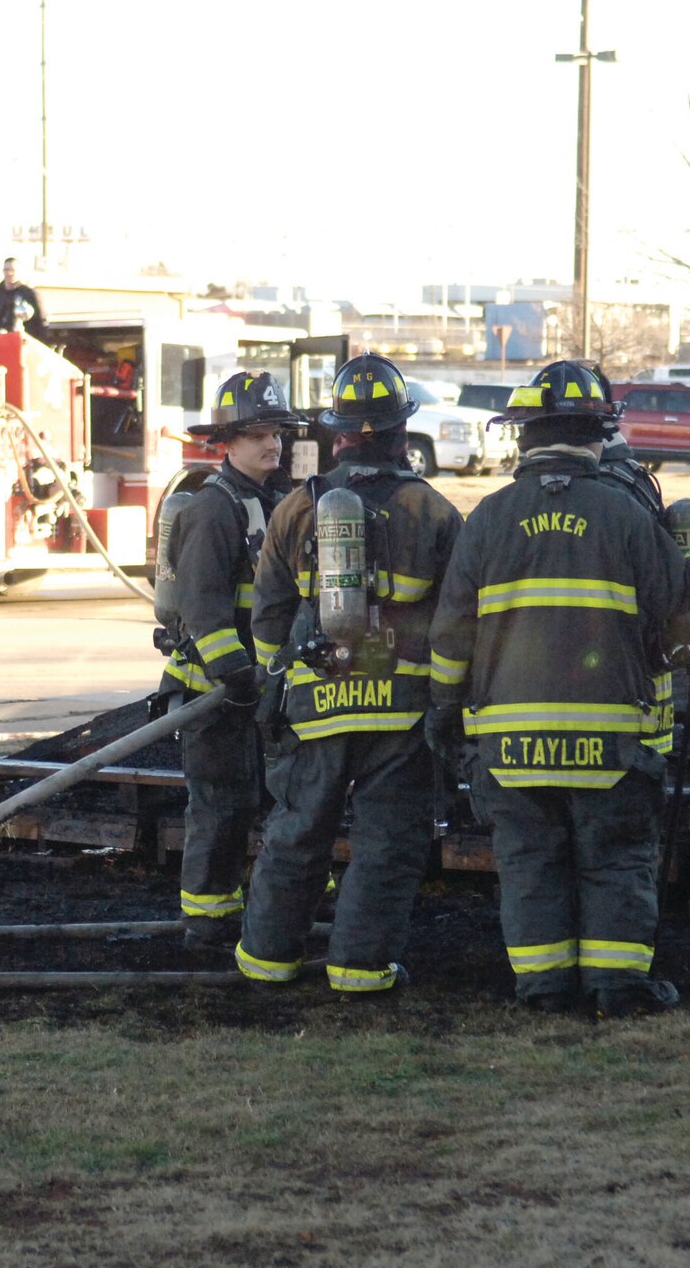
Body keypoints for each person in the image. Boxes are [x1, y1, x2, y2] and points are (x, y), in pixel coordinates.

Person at [425, 361, 690, 1017]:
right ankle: (615, 988)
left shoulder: (487, 519)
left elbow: (451, 635)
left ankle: (544, 991)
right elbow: (678, 597)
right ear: (601, 435)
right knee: (615, 859)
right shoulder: (624, 515)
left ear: (523, 436)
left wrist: (443, 714)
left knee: (529, 862)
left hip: (507, 745)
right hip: (607, 740)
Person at [236, 354, 464, 995]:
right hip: (401, 709)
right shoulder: (435, 511)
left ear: (338, 435)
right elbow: (456, 617)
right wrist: (449, 701)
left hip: (315, 705)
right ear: (401, 433)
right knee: (387, 843)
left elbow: (270, 614)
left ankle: (266, 962)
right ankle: (360, 970)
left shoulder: (296, 510)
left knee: (297, 834)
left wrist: (273, 692)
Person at [156, 371, 298, 950]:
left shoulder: (278, 502)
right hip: (214, 695)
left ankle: (269, 914)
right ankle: (208, 921)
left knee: (272, 800)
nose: (272, 444)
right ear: (227, 442)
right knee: (220, 806)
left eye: (278, 433)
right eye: (258, 434)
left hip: (260, 688)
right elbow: (204, 609)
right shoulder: (214, 511)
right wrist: (235, 673)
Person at [0, 257, 46, 339]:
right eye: (6, 270)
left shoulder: (30, 295)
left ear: (19, 272)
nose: (9, 273)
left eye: (13, 270)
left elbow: (42, 324)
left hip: (23, 344)